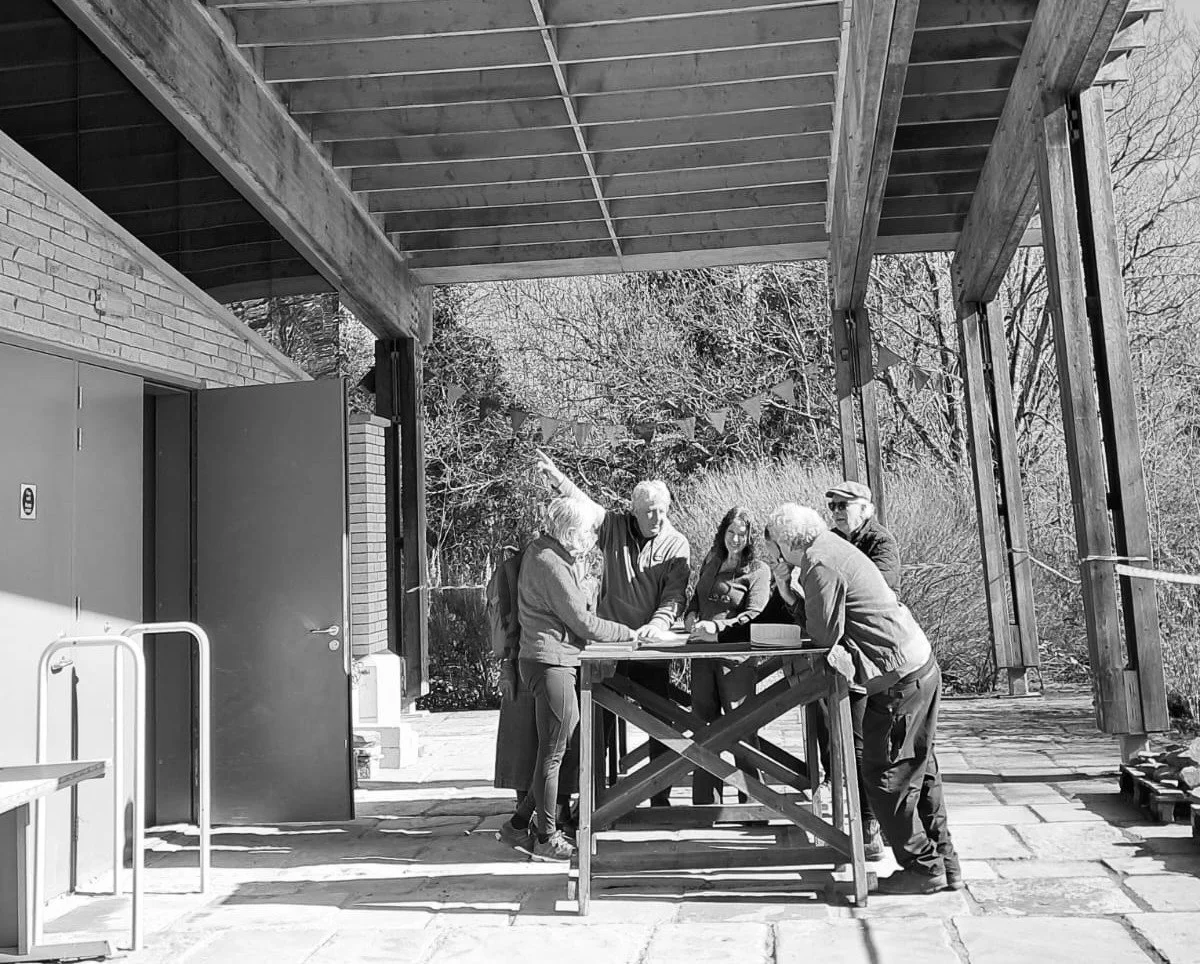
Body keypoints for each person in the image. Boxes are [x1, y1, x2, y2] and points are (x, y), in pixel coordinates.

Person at [765, 503, 961, 895]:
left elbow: (822, 636)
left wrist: (787, 590)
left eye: (772, 544)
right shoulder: (832, 548)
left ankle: (923, 868)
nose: (770, 553)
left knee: (885, 774)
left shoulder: (820, 563)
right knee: (920, 773)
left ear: (787, 544)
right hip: (917, 663)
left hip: (898, 677)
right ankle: (944, 864)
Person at [535, 450, 690, 807]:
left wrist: (657, 624)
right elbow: (583, 504)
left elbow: (675, 595)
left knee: (660, 721)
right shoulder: (614, 527)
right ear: (634, 509)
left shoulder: (676, 543)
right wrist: (557, 476)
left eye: (663, 510)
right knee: (597, 722)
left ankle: (659, 795)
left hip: (650, 645)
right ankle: (595, 799)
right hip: (608, 643)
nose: (657, 517)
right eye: (650, 510)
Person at [497, 498, 640, 861]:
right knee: (552, 755)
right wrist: (630, 633)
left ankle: (517, 826)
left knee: (556, 748)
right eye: (589, 530)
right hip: (551, 662)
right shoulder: (550, 563)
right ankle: (546, 837)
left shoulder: (545, 554)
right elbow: (582, 621)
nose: (593, 536)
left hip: (548, 660)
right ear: (570, 530)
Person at [811, 479, 901, 859]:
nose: (836, 513)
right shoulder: (831, 540)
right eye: (832, 506)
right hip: (836, 654)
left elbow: (875, 590)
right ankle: (836, 806)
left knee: (865, 744)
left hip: (871, 656)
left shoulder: (882, 543)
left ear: (866, 508)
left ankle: (869, 826)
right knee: (829, 732)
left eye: (843, 506)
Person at [684, 506, 771, 804]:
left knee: (740, 729)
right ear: (722, 532)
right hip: (701, 655)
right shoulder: (712, 559)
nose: (735, 539)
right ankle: (705, 804)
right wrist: (691, 614)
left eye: (741, 534)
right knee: (703, 727)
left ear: (750, 537)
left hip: (735, 660)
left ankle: (755, 803)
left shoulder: (758, 570)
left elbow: (755, 615)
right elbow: (696, 596)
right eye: (730, 532)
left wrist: (718, 628)